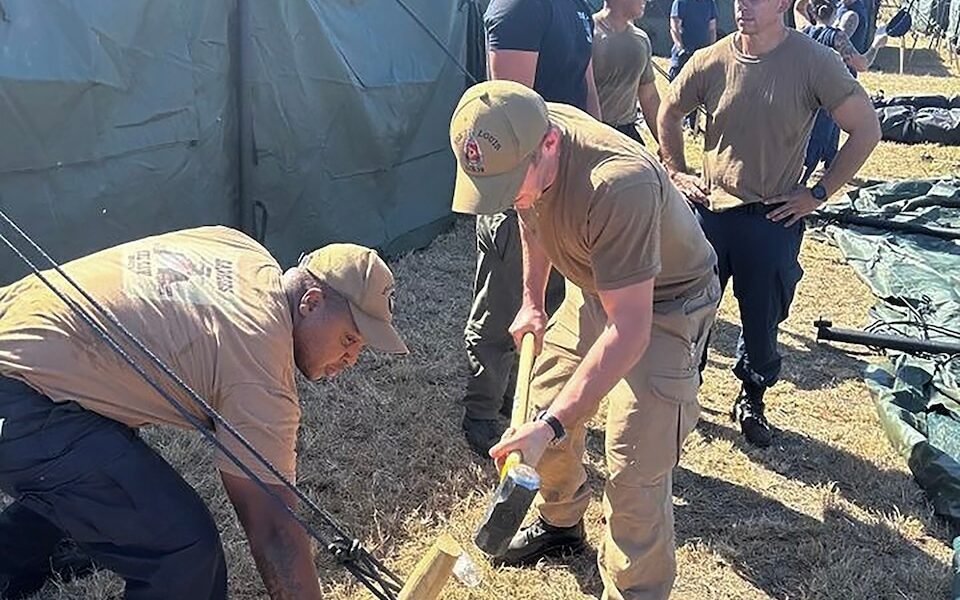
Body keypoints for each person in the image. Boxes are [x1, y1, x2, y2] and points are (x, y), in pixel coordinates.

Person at [0, 226, 408, 599]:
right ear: (311, 302)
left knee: (114, 475)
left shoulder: (241, 248)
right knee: (183, 552)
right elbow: (274, 531)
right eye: (349, 338)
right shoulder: (261, 362)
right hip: (22, 395)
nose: (351, 358)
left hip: (22, 337)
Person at [449, 80, 720, 599]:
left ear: (550, 145)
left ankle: (636, 591)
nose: (509, 199)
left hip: (663, 306)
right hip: (594, 285)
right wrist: (532, 299)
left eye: (512, 185)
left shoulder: (619, 184)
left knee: (634, 466)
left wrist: (550, 427)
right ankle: (561, 521)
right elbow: (530, 215)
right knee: (542, 407)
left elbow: (630, 330)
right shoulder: (516, 128)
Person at [657, 0, 881, 447]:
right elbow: (669, 110)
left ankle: (752, 394)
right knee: (688, 318)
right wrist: (676, 171)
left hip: (771, 218)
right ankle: (683, 397)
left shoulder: (814, 62)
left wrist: (817, 193)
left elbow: (867, 129)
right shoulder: (712, 58)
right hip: (709, 217)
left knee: (762, 324)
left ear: (782, 4)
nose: (744, 5)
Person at [462, 0, 602, 456]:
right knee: (507, 299)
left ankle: (515, 402)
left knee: (551, 300)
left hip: (564, 178)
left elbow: (585, 85)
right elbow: (509, 112)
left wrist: (590, 158)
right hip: (521, 182)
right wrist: (533, 190)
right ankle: (482, 410)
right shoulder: (520, 6)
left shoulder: (577, 6)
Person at [796, 0, 888, 183]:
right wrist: (876, 45)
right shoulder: (836, 36)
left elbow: (798, 6)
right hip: (832, 94)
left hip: (807, 95)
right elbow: (861, 64)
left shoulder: (805, 33)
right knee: (816, 143)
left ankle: (812, 175)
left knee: (809, 141)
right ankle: (800, 187)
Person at [592, 0, 662, 145]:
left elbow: (649, 97)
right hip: (591, 133)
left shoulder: (640, 40)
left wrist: (666, 145)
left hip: (627, 133)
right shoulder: (587, 32)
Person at [668, 0, 718, 131]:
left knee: (698, 93)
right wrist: (680, 48)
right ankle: (674, 125)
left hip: (701, 56)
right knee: (677, 94)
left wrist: (711, 49)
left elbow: (712, 28)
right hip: (683, 57)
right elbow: (674, 27)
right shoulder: (681, 2)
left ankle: (692, 126)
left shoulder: (709, 3)